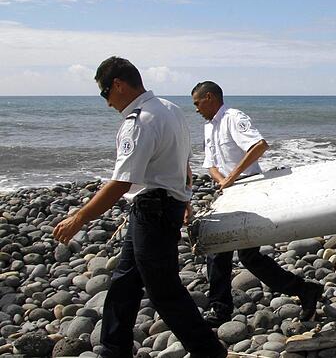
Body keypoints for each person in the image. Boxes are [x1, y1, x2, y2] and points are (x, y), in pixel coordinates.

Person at [54, 57, 225, 358]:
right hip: (159, 206)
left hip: (152, 210)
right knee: (124, 283)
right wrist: (184, 197)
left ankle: (209, 351)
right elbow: (181, 160)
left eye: (104, 92)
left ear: (118, 85)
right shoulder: (169, 110)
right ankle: (113, 349)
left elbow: (122, 182)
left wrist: (78, 218)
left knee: (164, 291)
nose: (106, 103)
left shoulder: (139, 121)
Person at [191, 81, 324, 326]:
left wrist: (232, 177)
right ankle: (303, 290)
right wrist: (222, 181)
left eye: (197, 103)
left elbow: (259, 145)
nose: (196, 109)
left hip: (249, 187)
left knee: (241, 253)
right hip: (229, 192)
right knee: (228, 252)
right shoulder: (209, 127)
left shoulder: (233, 118)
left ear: (209, 97)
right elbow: (210, 163)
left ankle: (220, 309)